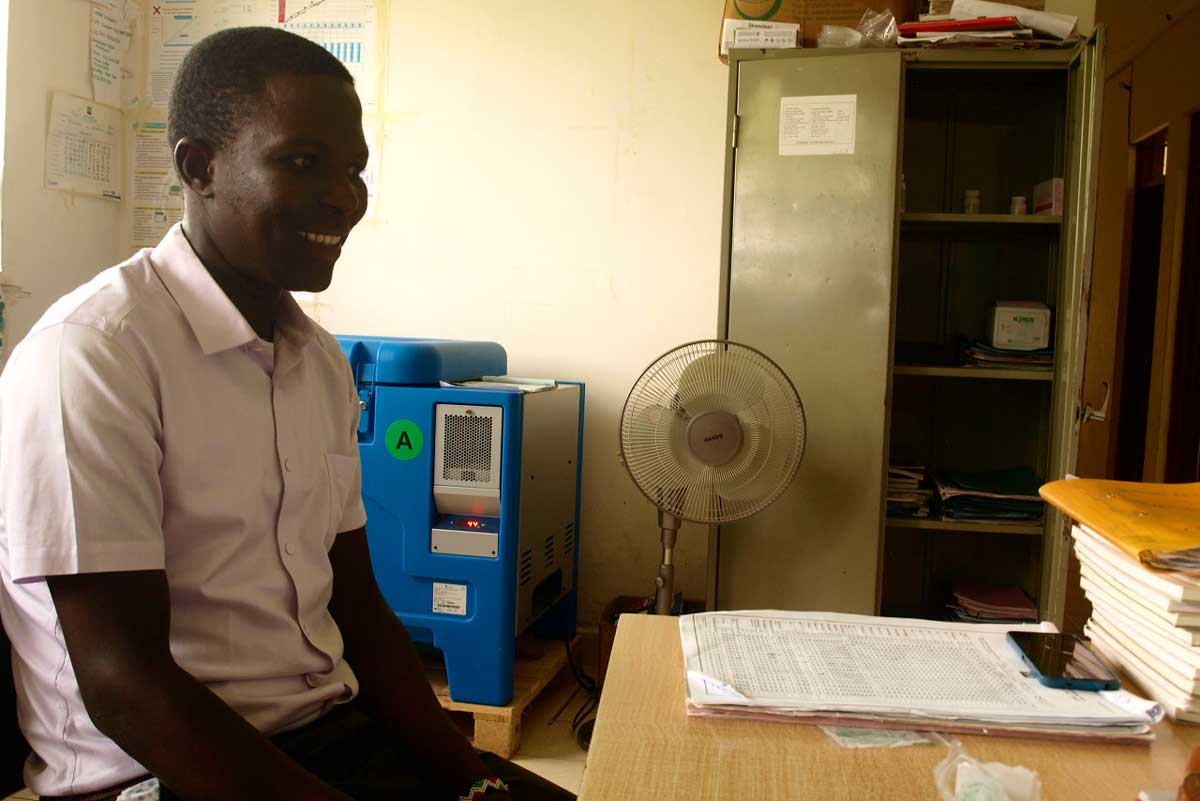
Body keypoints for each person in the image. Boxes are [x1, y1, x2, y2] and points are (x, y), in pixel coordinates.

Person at [0, 27, 574, 801]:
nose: (344, 195)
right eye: (302, 162)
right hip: (159, 772)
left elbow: (360, 607)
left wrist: (469, 778)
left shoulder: (320, 362)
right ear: (198, 167)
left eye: (354, 170)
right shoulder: (94, 354)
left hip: (326, 736)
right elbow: (124, 684)